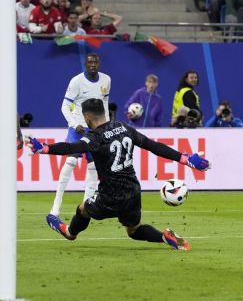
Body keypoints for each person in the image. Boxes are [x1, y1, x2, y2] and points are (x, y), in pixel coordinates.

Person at [26, 98, 211, 250]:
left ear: (87, 117)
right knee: (133, 230)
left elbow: (72, 147)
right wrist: (186, 160)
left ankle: (69, 232)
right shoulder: (125, 128)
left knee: (83, 209)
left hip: (110, 195)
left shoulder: (95, 137)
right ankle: (164, 236)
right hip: (133, 191)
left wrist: (44, 148)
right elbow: (154, 146)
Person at [50, 53, 111, 217]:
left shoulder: (106, 80)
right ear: (85, 64)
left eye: (95, 62)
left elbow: (104, 103)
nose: (93, 64)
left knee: (92, 166)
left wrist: (105, 125)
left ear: (99, 64)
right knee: (70, 161)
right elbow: (64, 106)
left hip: (95, 129)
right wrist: (74, 124)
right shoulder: (76, 81)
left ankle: (86, 207)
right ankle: (56, 205)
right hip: (77, 128)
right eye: (90, 62)